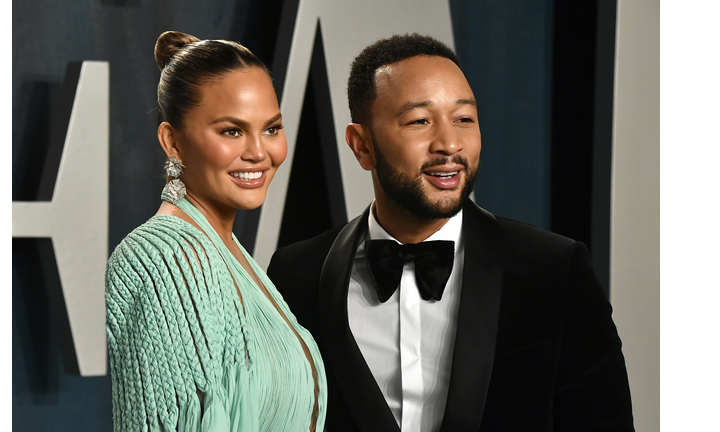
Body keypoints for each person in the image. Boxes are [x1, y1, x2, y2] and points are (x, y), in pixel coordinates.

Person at [266, 34, 634, 432]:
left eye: (464, 119)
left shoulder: (555, 269)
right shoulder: (297, 274)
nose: (450, 144)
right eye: (420, 121)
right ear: (362, 146)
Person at [105, 31, 326, 432]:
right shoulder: (168, 258)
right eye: (231, 131)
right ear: (172, 141)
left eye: (272, 128)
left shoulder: (229, 253)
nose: (260, 152)